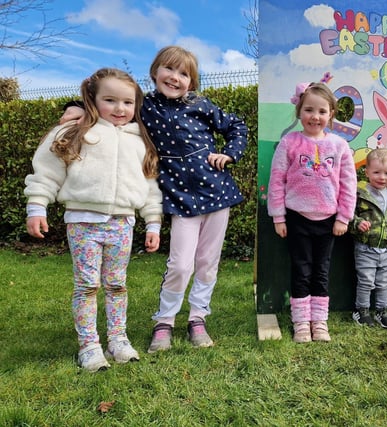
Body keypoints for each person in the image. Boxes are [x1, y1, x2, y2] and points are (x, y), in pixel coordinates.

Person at [60, 46, 249, 353]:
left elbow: (237, 126)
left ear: (192, 81)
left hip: (217, 192)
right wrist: (78, 109)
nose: (175, 77)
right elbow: (108, 102)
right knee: (179, 264)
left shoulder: (200, 104)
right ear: (154, 72)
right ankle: (165, 320)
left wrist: (229, 153)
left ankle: (198, 317)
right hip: (179, 196)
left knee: (207, 263)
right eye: (169, 70)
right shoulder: (144, 106)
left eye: (184, 73)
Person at [25, 68, 163, 372]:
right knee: (87, 285)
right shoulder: (75, 131)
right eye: (110, 100)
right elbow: (47, 172)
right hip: (83, 223)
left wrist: (153, 222)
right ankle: (89, 345)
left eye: (128, 103)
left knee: (117, 285)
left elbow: (149, 185)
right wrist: (37, 206)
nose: (119, 108)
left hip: (122, 223)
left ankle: (118, 339)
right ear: (92, 99)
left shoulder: (139, 140)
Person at [267, 82, 357, 343]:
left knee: (321, 271)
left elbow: (348, 184)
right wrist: (279, 217)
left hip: (328, 221)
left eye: (321, 111)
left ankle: (319, 322)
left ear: (331, 114)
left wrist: (343, 217)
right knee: (301, 269)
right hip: (296, 218)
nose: (314, 117)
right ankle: (301, 324)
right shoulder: (290, 142)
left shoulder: (339, 146)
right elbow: (277, 180)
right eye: (308, 110)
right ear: (299, 111)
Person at [349, 148, 387, 329]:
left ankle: (382, 311)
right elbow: (348, 214)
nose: (382, 177)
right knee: (366, 280)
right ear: (366, 172)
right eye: (376, 172)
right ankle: (361, 310)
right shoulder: (360, 192)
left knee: (383, 282)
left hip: (386, 248)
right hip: (366, 246)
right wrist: (357, 222)